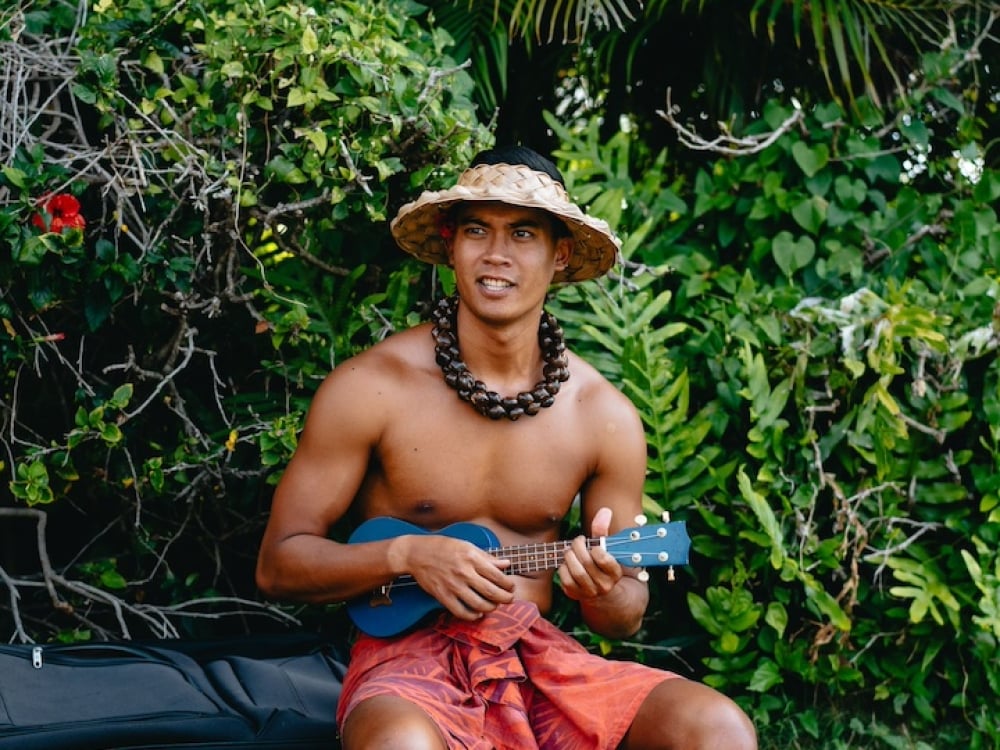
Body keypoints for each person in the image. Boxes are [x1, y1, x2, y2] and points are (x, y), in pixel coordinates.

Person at [255, 145, 758, 750]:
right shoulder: (372, 389)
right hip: (403, 666)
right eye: (476, 230)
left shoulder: (603, 416)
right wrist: (408, 554)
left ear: (559, 253)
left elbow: (624, 615)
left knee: (718, 729)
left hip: (536, 655)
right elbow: (278, 564)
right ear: (450, 246)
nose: (496, 255)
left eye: (522, 233)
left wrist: (601, 588)